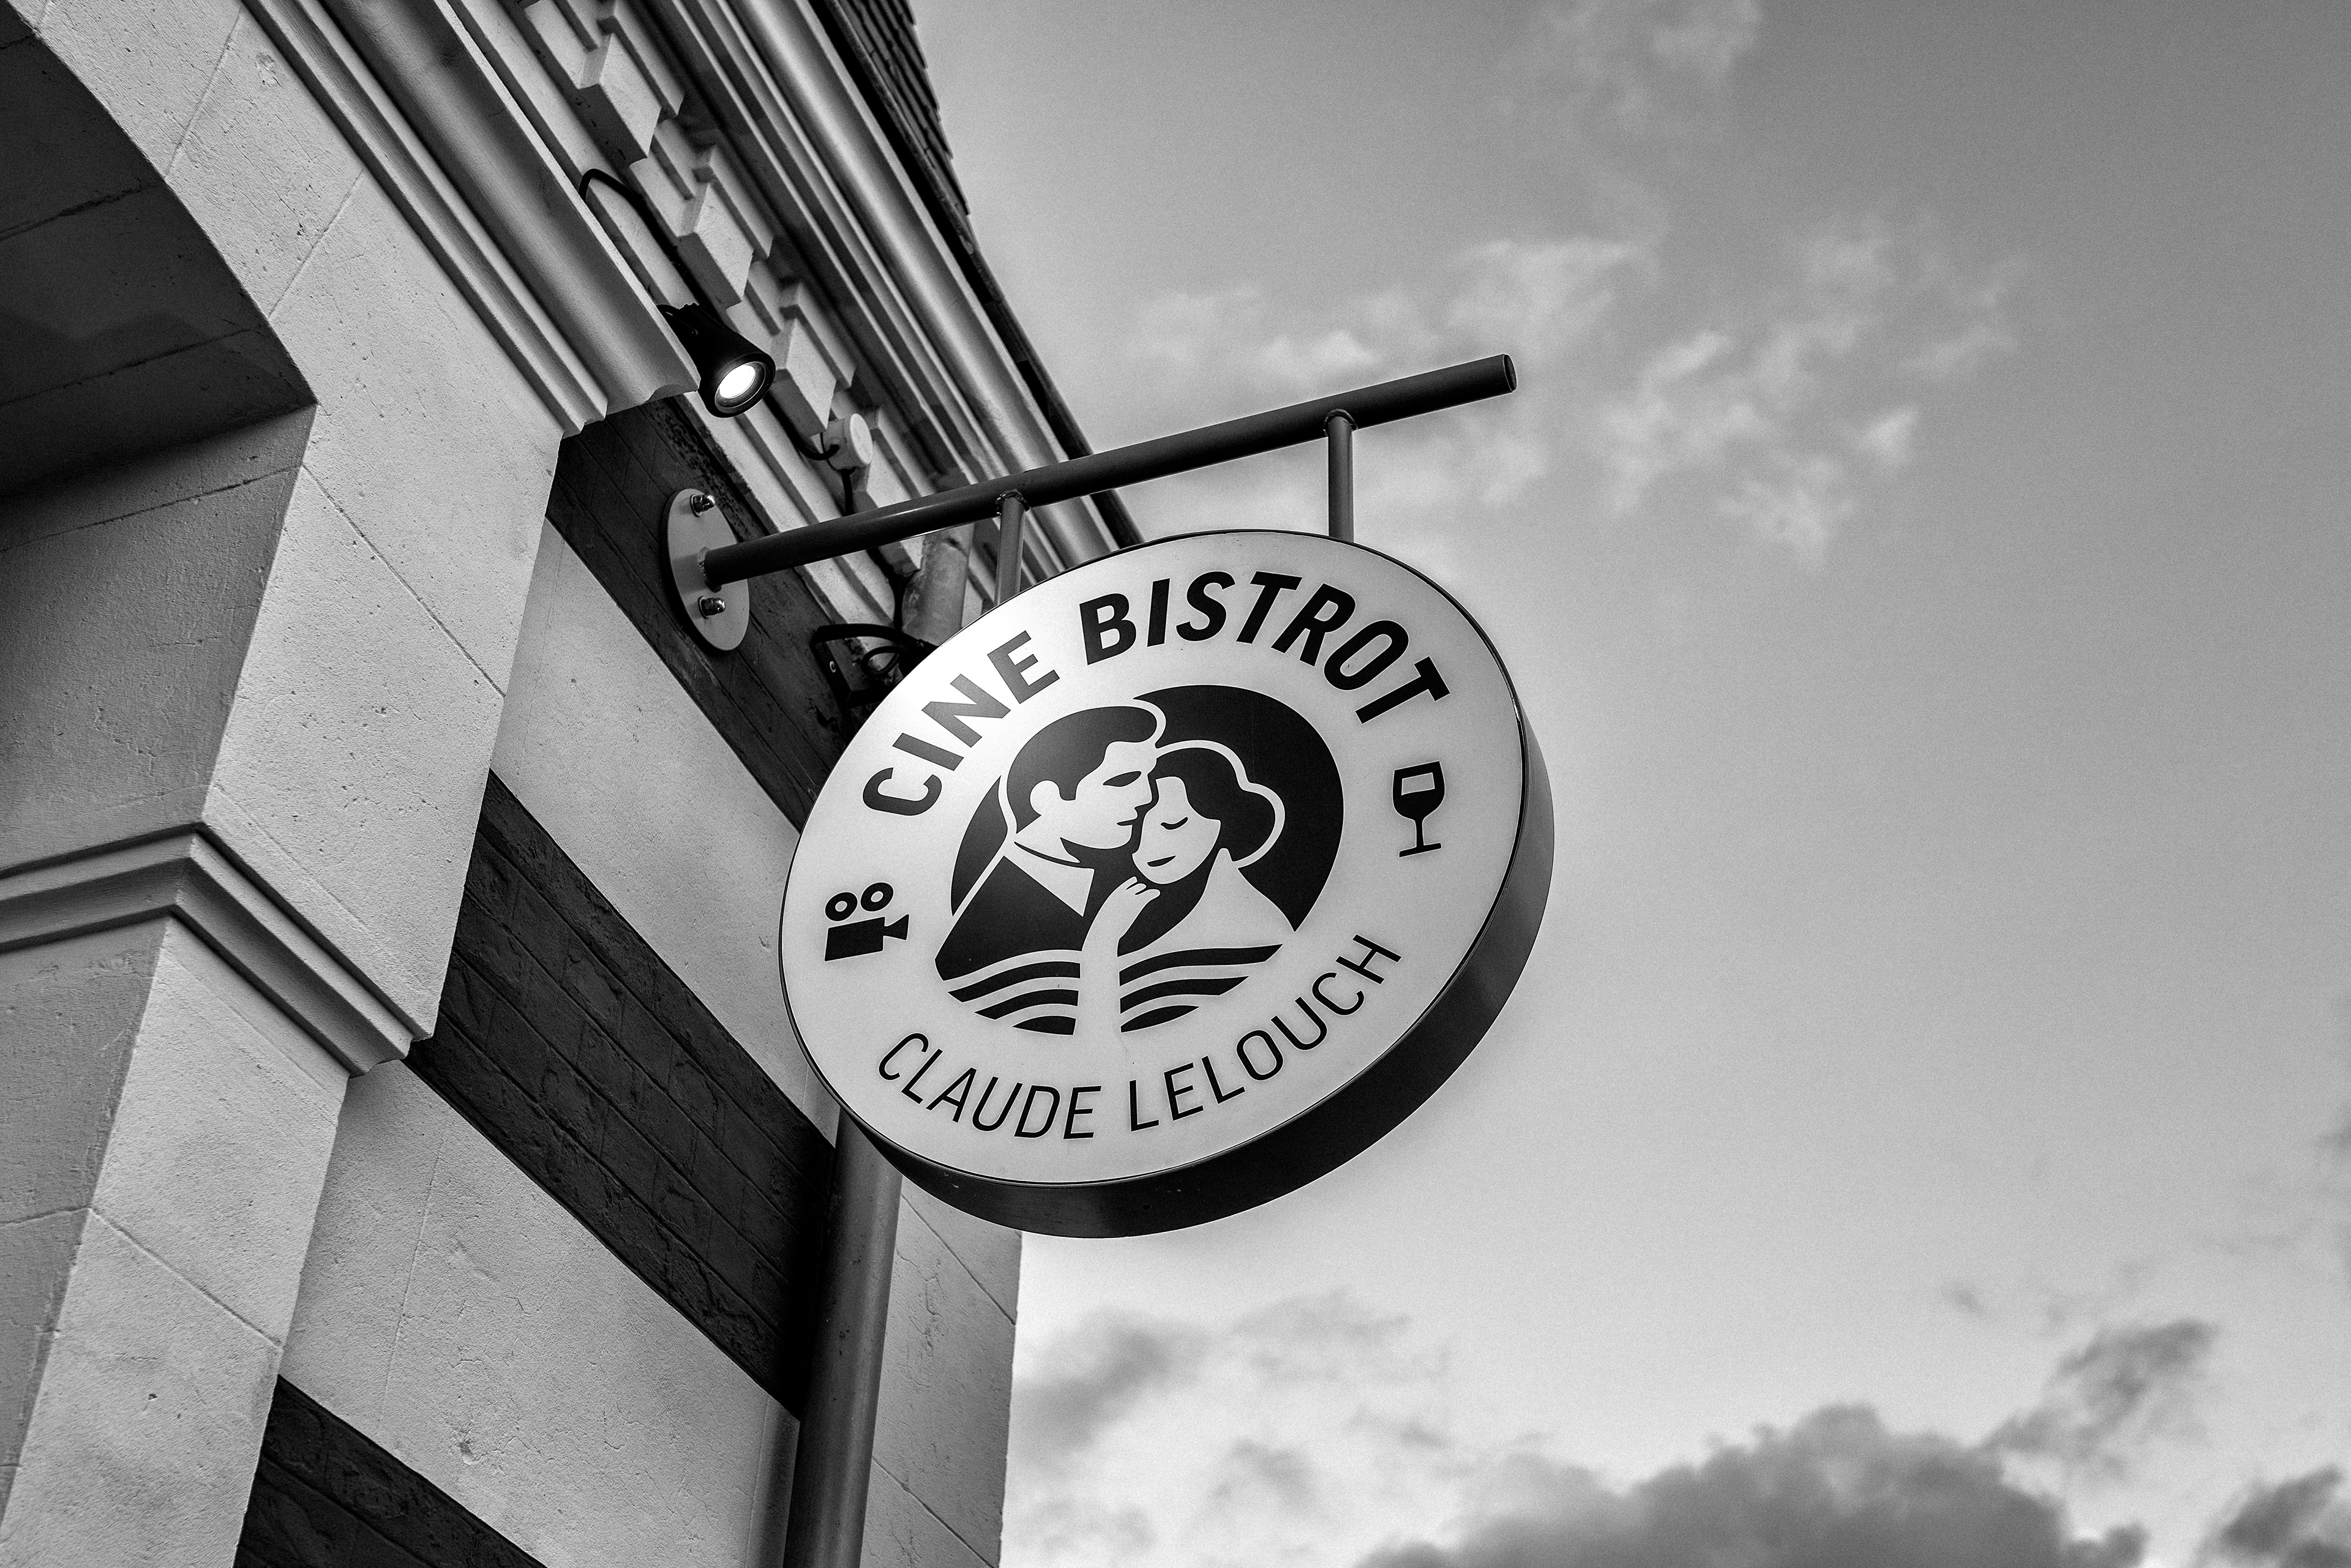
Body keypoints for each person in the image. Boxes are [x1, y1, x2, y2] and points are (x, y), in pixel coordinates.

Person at [934, 705, 1161, 1033]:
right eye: (1123, 780)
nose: (1146, 797)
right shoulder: (997, 918)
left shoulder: (1086, 888)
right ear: (1047, 798)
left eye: (1147, 778)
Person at [1074, 743, 1294, 1038]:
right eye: (1137, 829)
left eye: (1171, 823)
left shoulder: (1253, 932)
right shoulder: (1147, 917)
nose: (1145, 847)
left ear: (1222, 818)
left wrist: (1101, 944)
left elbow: (1101, 1049)